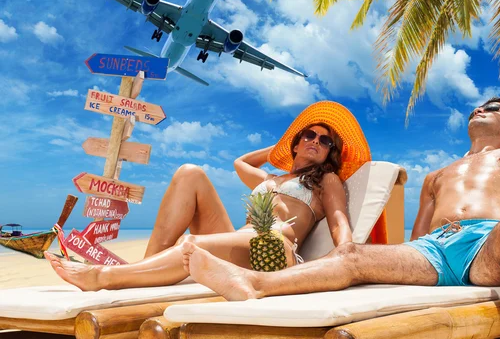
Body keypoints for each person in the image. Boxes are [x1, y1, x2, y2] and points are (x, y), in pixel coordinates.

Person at [180, 97, 500, 339]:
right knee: (355, 255)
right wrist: (396, 259)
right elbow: (416, 237)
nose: (480, 109)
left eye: (494, 109)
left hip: (488, 242)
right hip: (433, 250)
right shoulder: (438, 173)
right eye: (480, 106)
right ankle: (254, 284)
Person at [45, 101, 372, 291]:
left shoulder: (325, 179)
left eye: (325, 141)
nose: (316, 141)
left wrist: (346, 255)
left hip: (271, 250)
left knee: (191, 246)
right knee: (190, 173)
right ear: (297, 142)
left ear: (330, 153)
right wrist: (282, 145)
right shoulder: (272, 177)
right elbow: (240, 163)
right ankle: (144, 271)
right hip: (240, 237)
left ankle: (104, 278)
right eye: (309, 135)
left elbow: (339, 219)